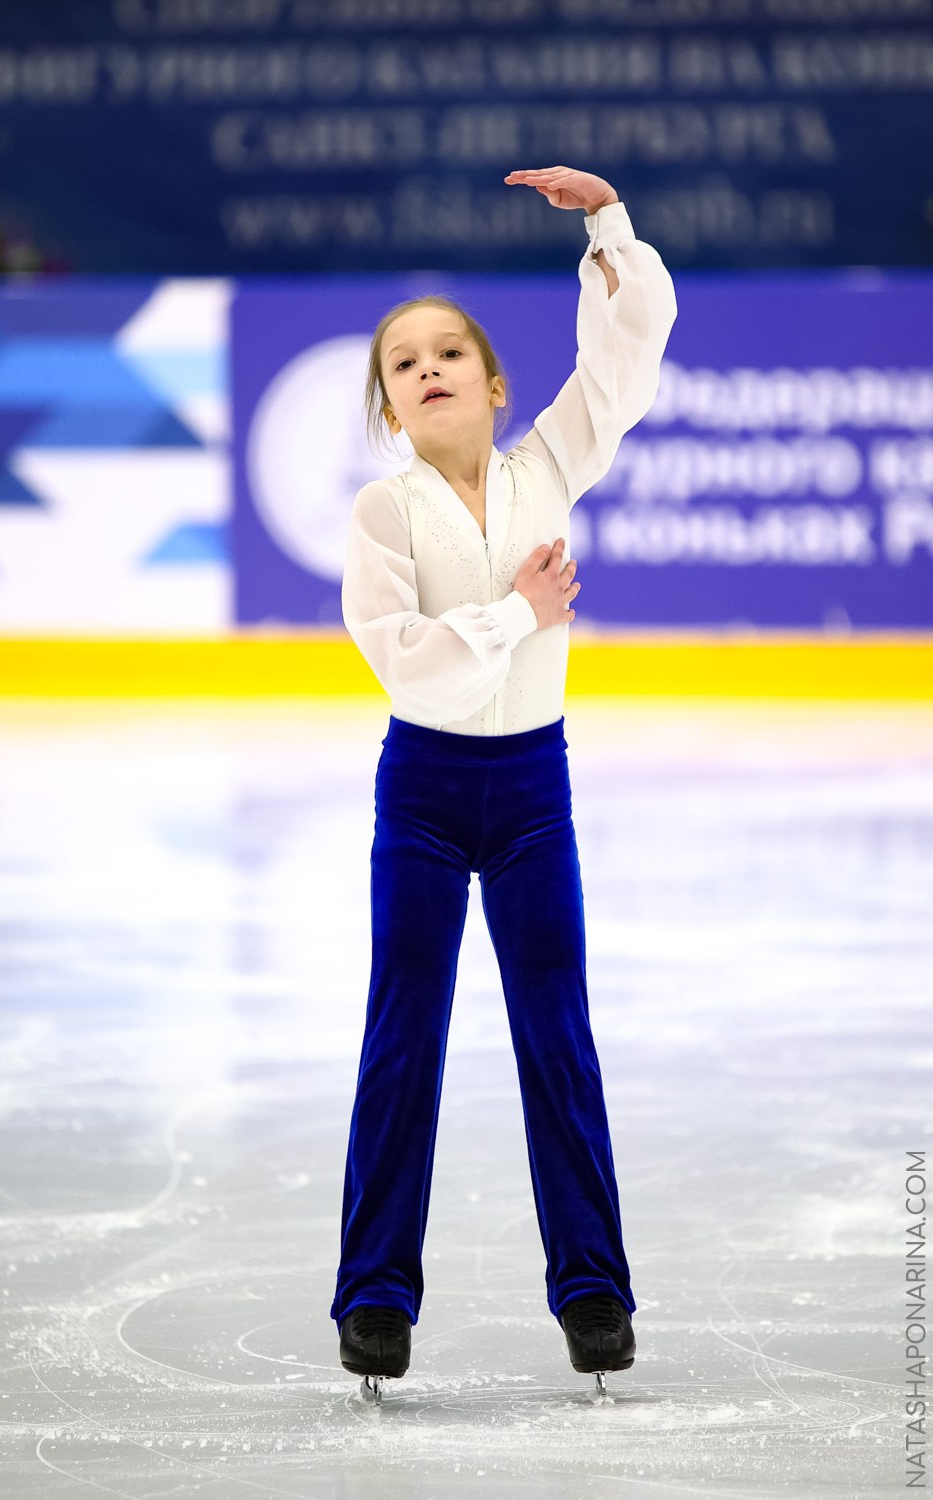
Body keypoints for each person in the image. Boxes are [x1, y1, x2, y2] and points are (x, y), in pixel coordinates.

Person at [331, 165, 677, 1388]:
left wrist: (607, 224)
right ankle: (374, 1295)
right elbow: (409, 670)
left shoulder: (547, 469)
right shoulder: (384, 513)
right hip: (422, 796)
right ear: (390, 408)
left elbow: (627, 365)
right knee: (402, 1039)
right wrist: (515, 617)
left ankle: (593, 1292)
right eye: (400, 365)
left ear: (491, 382)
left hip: (533, 794)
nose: (425, 370)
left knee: (555, 1037)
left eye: (446, 353)